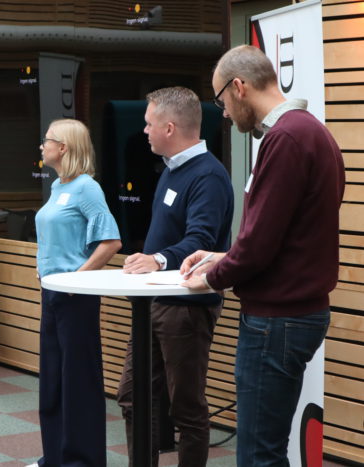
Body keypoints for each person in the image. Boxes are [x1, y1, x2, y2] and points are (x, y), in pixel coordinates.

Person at [181, 45, 345, 466]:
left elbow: (260, 244)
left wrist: (211, 277)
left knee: (258, 456)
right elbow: (286, 235)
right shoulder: (311, 132)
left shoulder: (286, 138)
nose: (223, 113)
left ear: (239, 87)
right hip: (294, 315)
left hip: (277, 320)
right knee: (267, 451)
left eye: (221, 100)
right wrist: (222, 256)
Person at [117, 87, 234, 466]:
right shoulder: (171, 171)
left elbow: (201, 242)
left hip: (186, 307)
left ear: (169, 128)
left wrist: (157, 259)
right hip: (153, 303)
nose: (144, 131)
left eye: (149, 123)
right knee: (133, 397)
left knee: (186, 408)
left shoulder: (208, 176)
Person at [33, 119, 122, 467]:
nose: (42, 146)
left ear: (64, 147)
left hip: (75, 298)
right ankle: (55, 457)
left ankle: (82, 462)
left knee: (78, 382)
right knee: (53, 380)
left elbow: (111, 242)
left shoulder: (87, 188)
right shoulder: (58, 186)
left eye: (47, 140)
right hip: (52, 293)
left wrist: (76, 280)